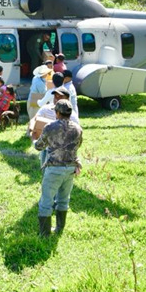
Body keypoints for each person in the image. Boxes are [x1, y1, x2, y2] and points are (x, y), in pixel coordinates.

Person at [34, 99, 83, 237]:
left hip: (54, 168)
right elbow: (77, 147)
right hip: (70, 169)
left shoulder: (50, 127)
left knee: (46, 201)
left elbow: (39, 146)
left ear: (57, 112)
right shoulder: (78, 129)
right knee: (63, 200)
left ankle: (45, 234)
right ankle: (59, 229)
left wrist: (33, 138)